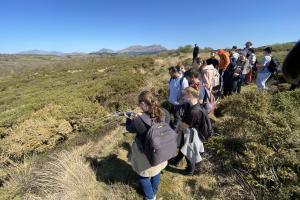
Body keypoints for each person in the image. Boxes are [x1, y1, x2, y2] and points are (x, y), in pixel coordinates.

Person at [126, 91, 171, 200]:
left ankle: (150, 197)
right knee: (157, 170)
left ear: (144, 104)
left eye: (139, 103)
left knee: (143, 175)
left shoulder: (138, 120)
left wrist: (129, 118)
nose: (138, 105)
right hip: (160, 150)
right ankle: (154, 191)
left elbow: (129, 128)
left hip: (145, 153)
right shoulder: (164, 112)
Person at [169, 87, 207, 175]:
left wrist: (177, 130)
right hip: (190, 132)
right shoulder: (196, 105)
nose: (183, 96)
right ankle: (176, 160)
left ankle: (190, 170)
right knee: (183, 145)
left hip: (192, 134)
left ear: (190, 95)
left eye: (184, 94)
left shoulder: (194, 111)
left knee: (189, 151)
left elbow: (184, 125)